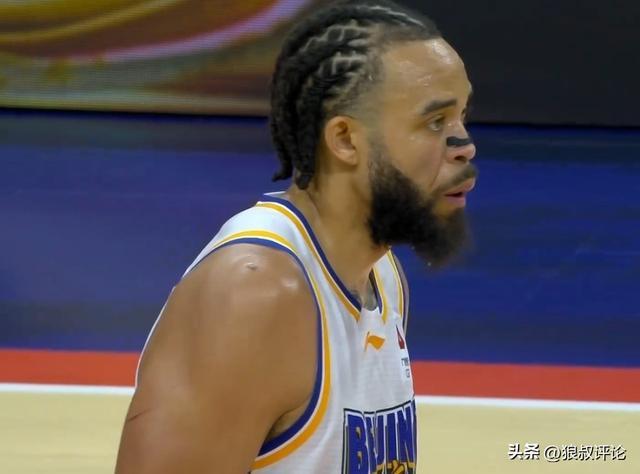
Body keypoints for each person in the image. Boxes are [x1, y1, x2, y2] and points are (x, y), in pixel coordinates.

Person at [115, 0, 477, 472]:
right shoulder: (254, 294)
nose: (465, 146)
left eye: (462, 116)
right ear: (345, 139)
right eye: (435, 122)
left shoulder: (382, 276)